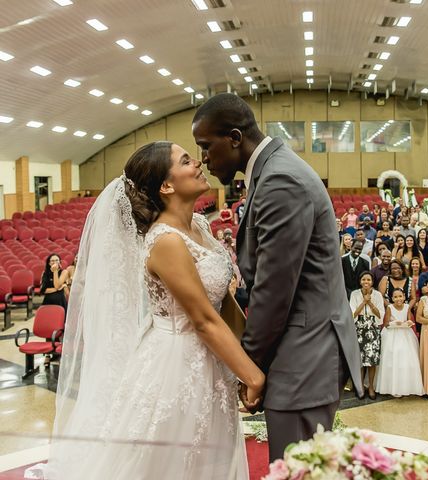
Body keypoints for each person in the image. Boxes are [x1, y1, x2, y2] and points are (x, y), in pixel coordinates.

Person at [42, 142, 266, 480]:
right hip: (177, 363)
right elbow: (203, 320)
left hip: (212, 360)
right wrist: (253, 376)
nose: (198, 163)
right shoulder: (166, 241)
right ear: (166, 185)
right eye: (187, 161)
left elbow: (221, 302)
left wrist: (248, 355)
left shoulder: (200, 228)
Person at [193, 94, 362, 462]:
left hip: (304, 353)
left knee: (297, 469)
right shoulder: (273, 172)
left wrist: (248, 367)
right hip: (302, 349)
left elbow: (274, 292)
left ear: (235, 138)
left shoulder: (280, 179)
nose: (203, 158)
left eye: (206, 146)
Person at [376, 288, 425, 397]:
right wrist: (394, 323)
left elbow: (409, 321)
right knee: (393, 356)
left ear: (404, 297)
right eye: (395, 297)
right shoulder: (389, 307)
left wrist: (407, 323)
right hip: (392, 334)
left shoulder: (407, 307)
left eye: (400, 296)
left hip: (405, 334)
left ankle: (407, 385)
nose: (398, 299)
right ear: (392, 298)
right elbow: (386, 324)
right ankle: (391, 386)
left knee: (407, 357)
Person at [349, 272, 385, 401]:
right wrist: (364, 301)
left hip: (373, 327)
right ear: (360, 281)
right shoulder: (354, 294)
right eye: (363, 279)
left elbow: (380, 314)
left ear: (372, 282)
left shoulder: (378, 295)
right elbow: (353, 314)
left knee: (372, 360)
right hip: (358, 327)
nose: (366, 282)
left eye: (368, 279)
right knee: (360, 360)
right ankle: (360, 387)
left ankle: (370, 386)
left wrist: (370, 303)